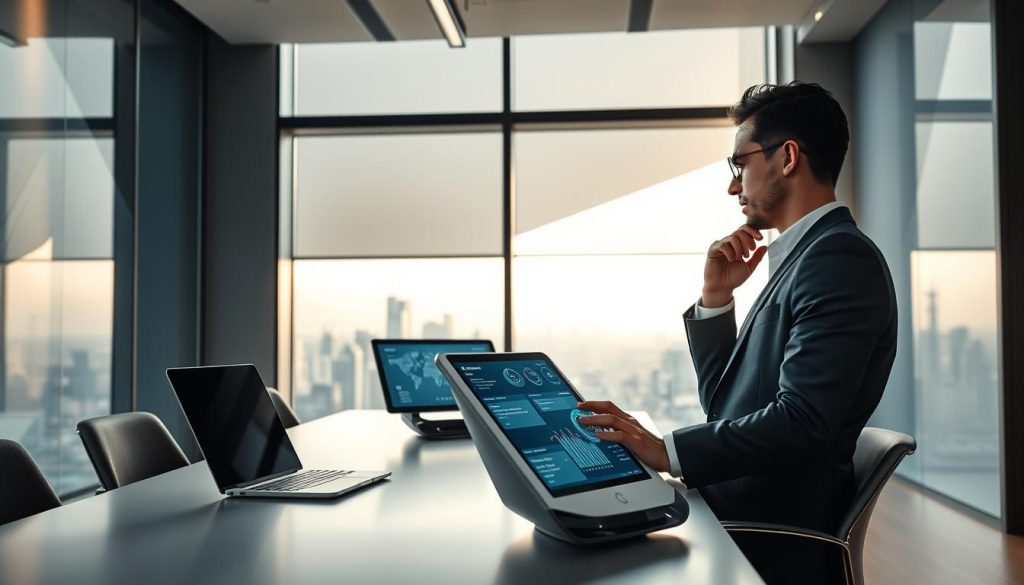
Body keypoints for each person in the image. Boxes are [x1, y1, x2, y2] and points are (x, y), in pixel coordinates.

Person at [578, 81, 897, 584]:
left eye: (739, 164)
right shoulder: (806, 258)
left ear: (787, 157)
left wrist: (667, 452)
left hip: (761, 532)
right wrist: (715, 300)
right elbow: (725, 405)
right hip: (734, 510)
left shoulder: (838, 259)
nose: (733, 186)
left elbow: (802, 422)